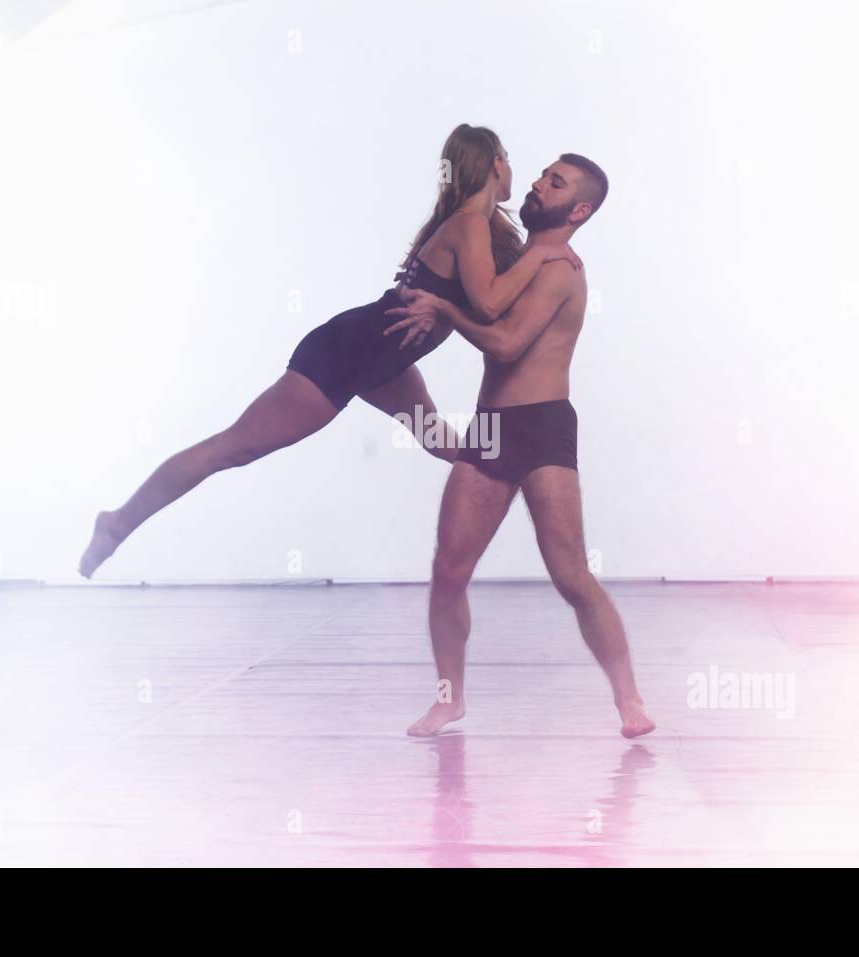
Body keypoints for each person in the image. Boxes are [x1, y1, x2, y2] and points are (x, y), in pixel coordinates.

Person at [78, 125, 580, 578]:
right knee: (234, 448)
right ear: (494, 162)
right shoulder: (469, 223)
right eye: (508, 157)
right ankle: (118, 522)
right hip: (346, 354)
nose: (515, 169)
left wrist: (543, 258)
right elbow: (491, 305)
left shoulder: (480, 227)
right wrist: (538, 253)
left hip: (386, 359)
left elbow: (500, 300)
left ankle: (515, 481)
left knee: (446, 443)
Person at [386, 154, 656, 739]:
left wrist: (446, 309)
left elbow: (506, 344)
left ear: (578, 210)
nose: (536, 183)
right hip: (489, 427)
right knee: (449, 570)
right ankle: (448, 699)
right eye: (540, 175)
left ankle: (629, 699)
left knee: (571, 577)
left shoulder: (561, 270)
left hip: (541, 426)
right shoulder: (516, 257)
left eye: (553, 183)